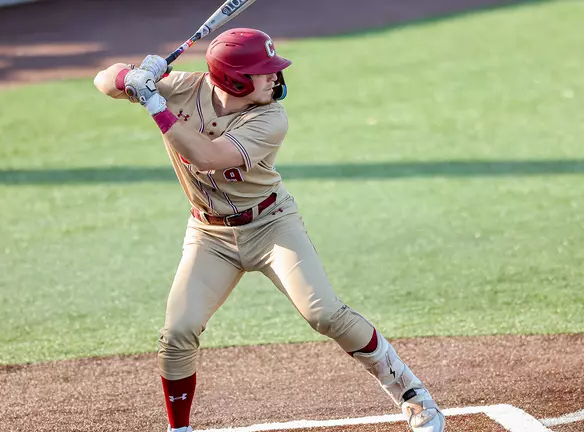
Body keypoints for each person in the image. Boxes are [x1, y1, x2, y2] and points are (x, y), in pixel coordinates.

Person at [93, 28, 445, 432]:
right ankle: (179, 429)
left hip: (270, 224)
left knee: (324, 314)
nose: (276, 77)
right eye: (265, 71)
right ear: (235, 79)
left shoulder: (271, 118)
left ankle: (412, 394)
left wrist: (154, 103)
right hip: (209, 235)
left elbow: (207, 156)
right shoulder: (183, 88)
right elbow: (103, 80)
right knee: (177, 332)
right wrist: (134, 77)